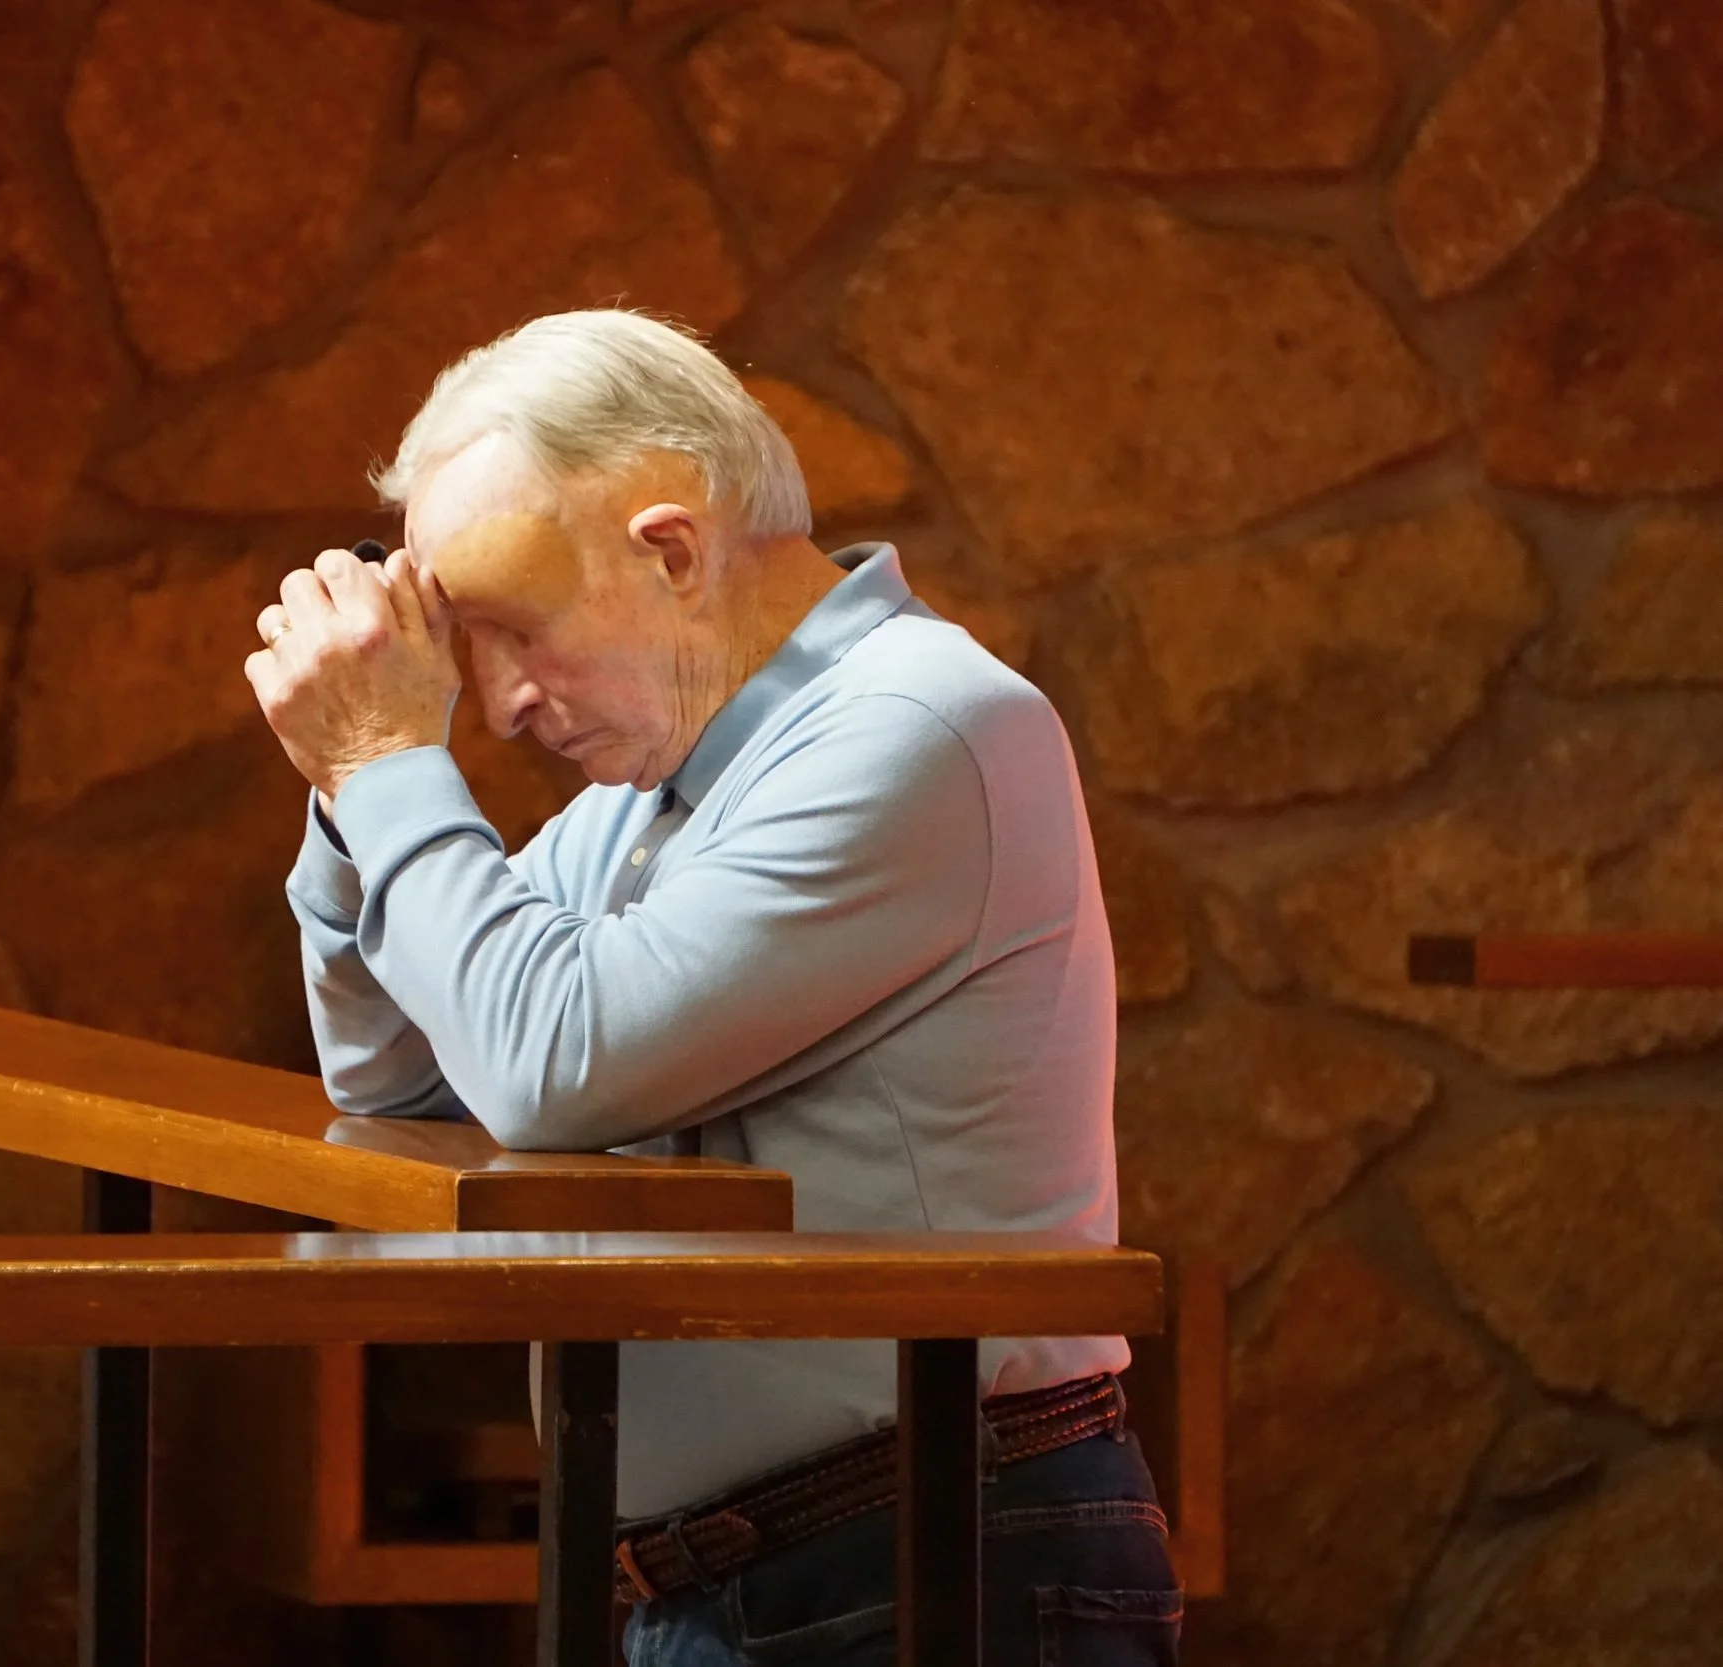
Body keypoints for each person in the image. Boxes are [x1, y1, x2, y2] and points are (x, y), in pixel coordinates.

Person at [244, 309, 1180, 1666]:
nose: (497, 706)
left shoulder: (919, 724)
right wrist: (352, 798)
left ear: (673, 552)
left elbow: (551, 1063)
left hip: (929, 1558)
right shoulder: (657, 789)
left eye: (513, 630)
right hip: (744, 1583)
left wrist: (390, 764)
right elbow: (405, 1078)